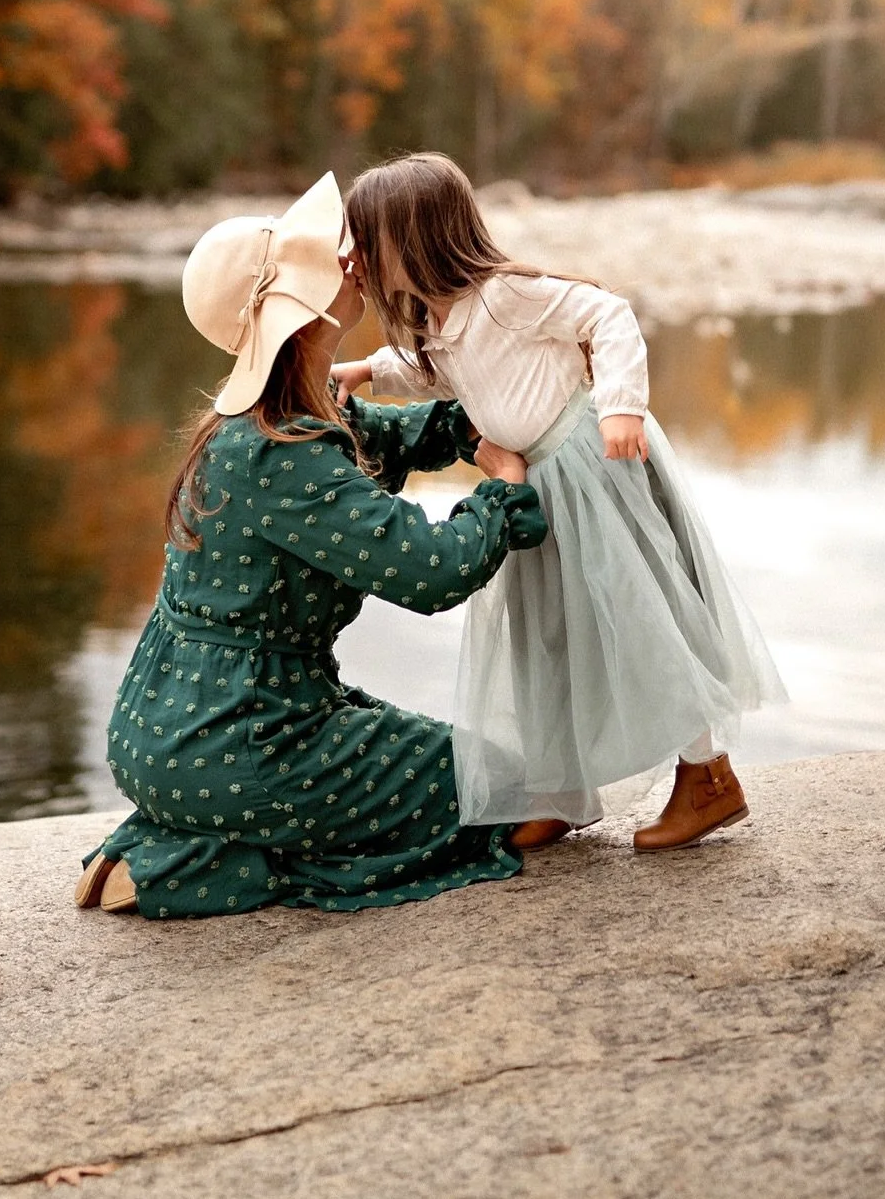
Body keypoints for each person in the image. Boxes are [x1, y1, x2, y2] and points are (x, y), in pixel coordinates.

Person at [75, 171, 549, 918]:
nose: (346, 258)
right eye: (321, 260)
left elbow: (391, 435)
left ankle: (194, 828)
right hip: (239, 736)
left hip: (175, 721)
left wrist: (477, 418)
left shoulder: (280, 415)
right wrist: (500, 487)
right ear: (296, 309)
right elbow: (434, 571)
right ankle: (182, 861)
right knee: (507, 791)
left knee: (442, 772)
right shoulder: (280, 454)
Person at [332, 153, 787, 853]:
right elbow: (438, 371)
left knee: (637, 619)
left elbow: (610, 314)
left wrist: (621, 408)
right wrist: (368, 369)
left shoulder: (504, 295)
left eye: (366, 241)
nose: (355, 257)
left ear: (413, 238)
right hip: (541, 490)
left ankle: (709, 776)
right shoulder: (439, 316)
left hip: (589, 468)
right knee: (545, 636)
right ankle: (562, 791)